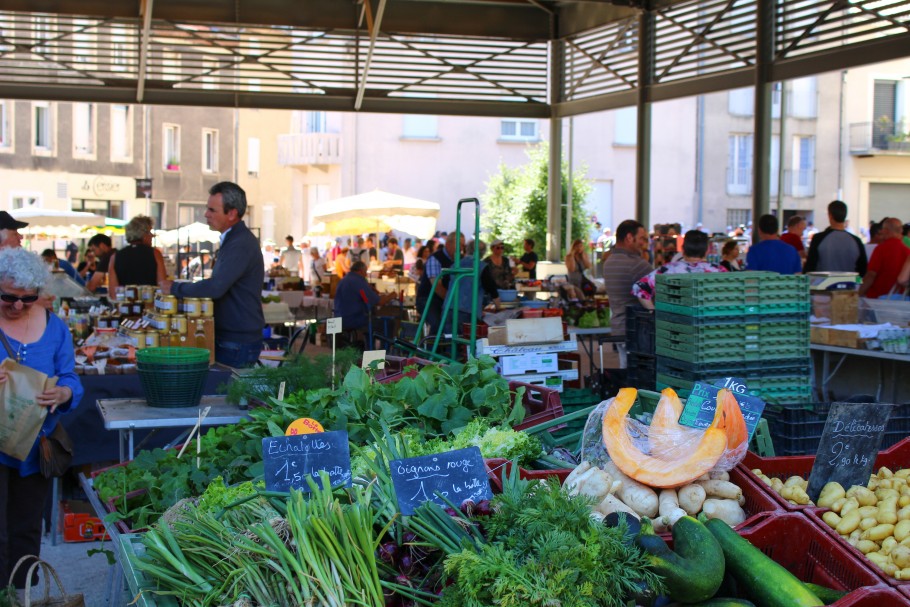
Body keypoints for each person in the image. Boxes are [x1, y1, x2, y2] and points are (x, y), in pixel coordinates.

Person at [0, 247, 83, 589]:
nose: (18, 305)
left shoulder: (55, 328)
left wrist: (64, 394)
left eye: (28, 298)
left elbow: (71, 378)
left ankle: (22, 596)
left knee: (28, 526)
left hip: (36, 445)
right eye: (7, 297)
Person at [160, 182, 265, 368]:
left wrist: (176, 288)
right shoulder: (234, 240)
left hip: (236, 339)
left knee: (228, 394)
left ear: (231, 213)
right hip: (234, 336)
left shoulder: (240, 243)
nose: (206, 214)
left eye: (212, 210)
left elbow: (216, 287)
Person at [633, 230, 726, 309]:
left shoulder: (668, 269)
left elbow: (639, 288)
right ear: (707, 251)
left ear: (683, 249)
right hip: (711, 324)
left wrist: (653, 312)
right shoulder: (719, 271)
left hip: (674, 324)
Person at [603, 220, 653, 367]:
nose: (644, 243)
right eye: (642, 238)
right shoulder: (637, 264)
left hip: (618, 326)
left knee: (626, 371)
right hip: (637, 331)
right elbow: (657, 291)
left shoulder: (609, 261)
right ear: (630, 238)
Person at [333, 261, 396, 342]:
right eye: (365, 272)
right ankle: (385, 351)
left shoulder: (344, 280)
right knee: (388, 324)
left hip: (340, 318)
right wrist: (391, 296)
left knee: (373, 322)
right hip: (353, 320)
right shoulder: (359, 280)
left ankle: (369, 346)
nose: (366, 275)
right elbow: (379, 302)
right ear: (361, 271)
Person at [417, 231, 463, 336]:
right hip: (428, 299)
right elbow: (437, 287)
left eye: (462, 245)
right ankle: (431, 350)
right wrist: (454, 301)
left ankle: (451, 350)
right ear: (448, 244)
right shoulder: (435, 259)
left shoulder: (459, 259)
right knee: (438, 323)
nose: (461, 248)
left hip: (446, 300)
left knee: (461, 323)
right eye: (459, 245)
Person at [804, 200, 867, 275]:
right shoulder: (857, 241)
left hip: (822, 285)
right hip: (850, 284)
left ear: (830, 215)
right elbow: (863, 270)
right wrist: (857, 284)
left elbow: (810, 268)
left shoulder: (818, 239)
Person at [108, 215, 166, 291]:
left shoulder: (115, 256)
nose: (152, 236)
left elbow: (113, 292)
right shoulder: (155, 254)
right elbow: (162, 286)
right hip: (149, 301)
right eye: (149, 232)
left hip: (125, 301)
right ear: (143, 234)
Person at [859, 218, 910, 299]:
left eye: (882, 229)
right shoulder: (907, 251)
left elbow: (871, 275)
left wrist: (858, 294)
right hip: (899, 300)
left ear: (886, 230)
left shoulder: (880, 249)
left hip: (877, 300)